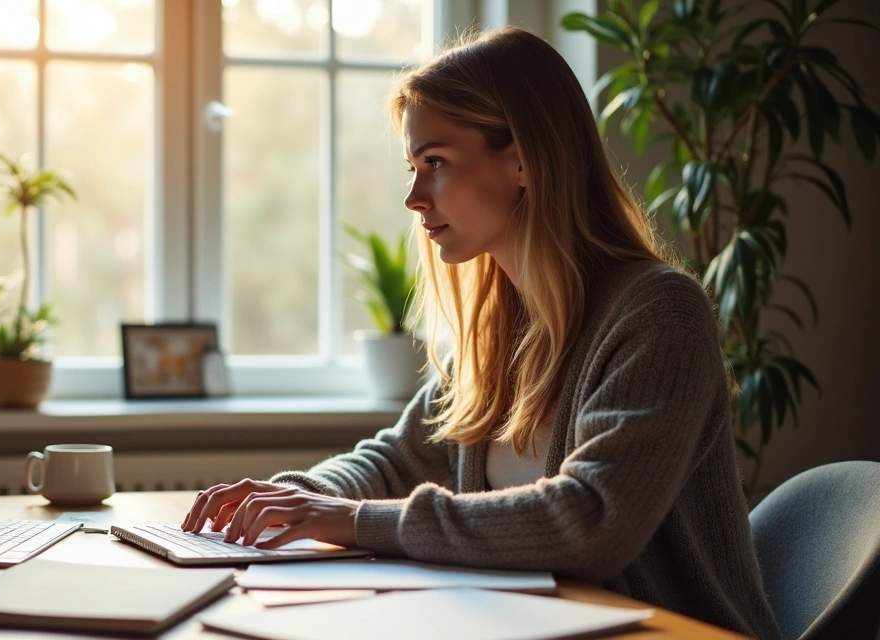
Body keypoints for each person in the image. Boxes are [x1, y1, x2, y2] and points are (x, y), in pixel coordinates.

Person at [180, 26, 781, 640]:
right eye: (414, 167)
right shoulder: (501, 322)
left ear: (523, 159)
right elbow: (397, 459)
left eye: (436, 163)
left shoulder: (659, 314)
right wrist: (289, 501)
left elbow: (591, 520)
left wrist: (350, 519)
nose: (414, 197)